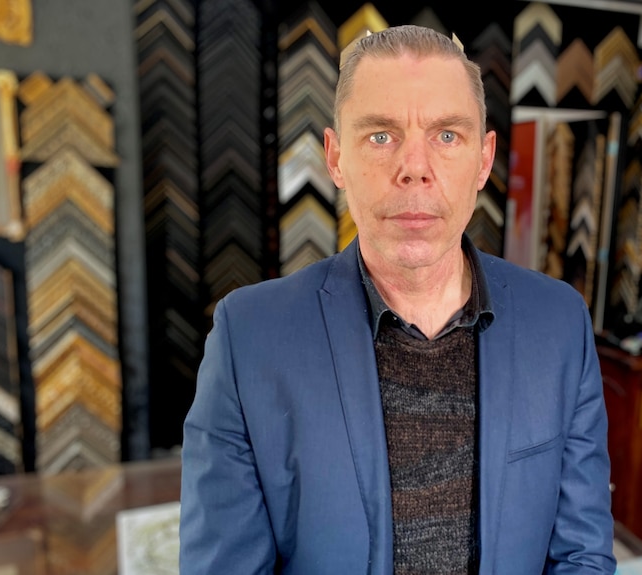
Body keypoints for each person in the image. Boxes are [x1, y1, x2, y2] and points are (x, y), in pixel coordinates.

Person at [179, 24, 616, 575]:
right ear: (336, 159)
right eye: (381, 136)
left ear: (484, 161)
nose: (415, 168)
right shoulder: (249, 338)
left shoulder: (559, 323)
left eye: (447, 135)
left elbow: (582, 554)